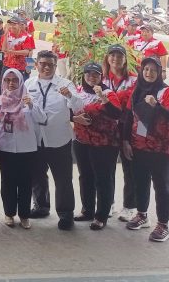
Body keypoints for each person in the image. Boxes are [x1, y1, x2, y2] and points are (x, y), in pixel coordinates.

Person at [122, 57, 169, 242]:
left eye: (153, 70)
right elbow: (130, 118)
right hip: (139, 146)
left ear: (159, 72)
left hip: (161, 149)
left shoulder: (167, 92)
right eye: (146, 69)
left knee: (162, 186)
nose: (149, 73)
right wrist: (126, 141)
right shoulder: (136, 91)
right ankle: (142, 214)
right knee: (140, 182)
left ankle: (163, 225)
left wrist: (158, 105)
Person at [27, 50, 83, 229]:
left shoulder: (65, 84)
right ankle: (41, 206)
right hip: (36, 139)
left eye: (50, 64)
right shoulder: (29, 84)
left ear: (55, 65)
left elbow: (79, 105)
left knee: (63, 179)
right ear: (36, 65)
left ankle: (66, 214)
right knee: (37, 175)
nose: (46, 67)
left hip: (59, 140)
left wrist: (70, 96)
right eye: (42, 63)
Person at [72, 62, 123, 230]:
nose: (91, 78)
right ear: (84, 75)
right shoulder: (78, 91)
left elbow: (117, 113)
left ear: (101, 77)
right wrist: (73, 118)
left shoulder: (108, 92)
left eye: (95, 75)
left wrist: (103, 98)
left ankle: (101, 216)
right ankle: (87, 210)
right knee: (85, 176)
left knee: (103, 179)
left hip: (104, 144)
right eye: (88, 74)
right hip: (82, 141)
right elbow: (69, 110)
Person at [0, 68, 40, 230]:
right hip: (6, 148)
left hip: (27, 148)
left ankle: (25, 215)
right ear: (3, 82)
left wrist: (32, 105)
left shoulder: (29, 99)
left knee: (26, 183)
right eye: (8, 80)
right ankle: (9, 213)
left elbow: (41, 119)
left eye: (15, 80)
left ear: (21, 81)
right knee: (8, 182)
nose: (11, 83)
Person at [101, 44, 138, 223]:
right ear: (107, 59)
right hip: (106, 131)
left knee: (129, 169)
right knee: (106, 169)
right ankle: (108, 204)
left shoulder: (134, 80)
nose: (116, 59)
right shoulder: (101, 80)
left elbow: (133, 106)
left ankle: (130, 206)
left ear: (125, 59)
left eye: (119, 56)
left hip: (126, 130)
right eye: (112, 55)